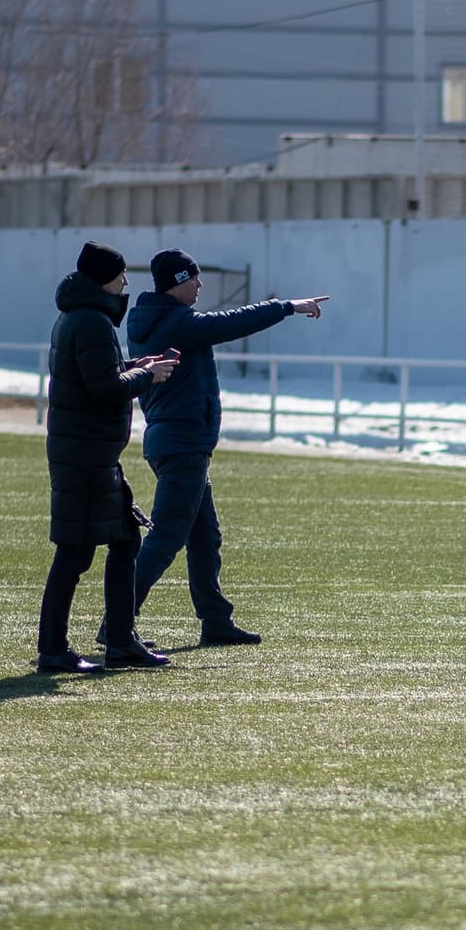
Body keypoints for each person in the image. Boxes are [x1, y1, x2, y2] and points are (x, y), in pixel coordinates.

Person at [121, 247, 326, 647]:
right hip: (182, 444)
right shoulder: (177, 322)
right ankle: (117, 621)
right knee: (167, 538)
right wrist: (286, 306)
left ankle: (215, 621)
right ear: (178, 282)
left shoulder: (159, 319)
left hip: (177, 442)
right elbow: (230, 323)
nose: (200, 284)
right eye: (193, 277)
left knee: (204, 537)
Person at [36, 241, 179, 673]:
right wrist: (147, 375)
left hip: (85, 452)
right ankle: (56, 649)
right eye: (120, 276)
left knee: (123, 539)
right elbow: (105, 389)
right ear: (105, 280)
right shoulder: (92, 321)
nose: (126, 283)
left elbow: (99, 375)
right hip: (86, 454)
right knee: (75, 553)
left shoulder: (77, 316)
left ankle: (120, 641)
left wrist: (137, 364)